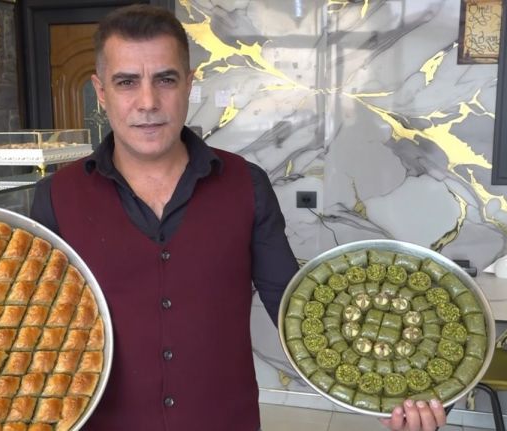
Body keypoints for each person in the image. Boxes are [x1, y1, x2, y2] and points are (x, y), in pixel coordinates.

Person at [30, 4, 447, 431]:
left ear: (189, 84)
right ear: (100, 91)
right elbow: (35, 333)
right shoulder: (57, 197)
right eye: (127, 82)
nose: (148, 102)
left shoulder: (245, 184)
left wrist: (397, 391)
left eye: (166, 79)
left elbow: (296, 309)